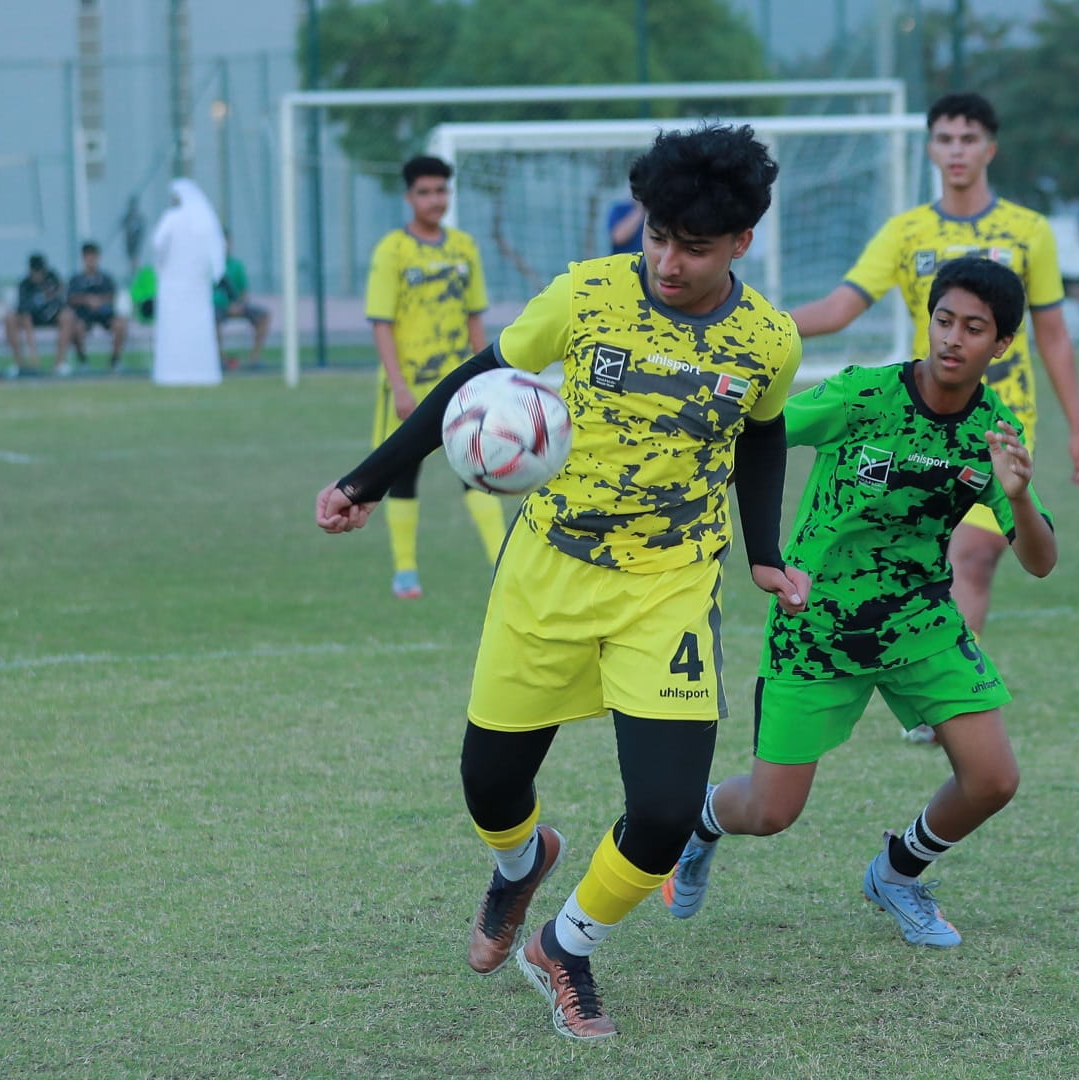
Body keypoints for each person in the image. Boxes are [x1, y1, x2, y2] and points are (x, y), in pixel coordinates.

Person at [314, 123, 806, 1041]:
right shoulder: (586, 295)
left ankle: (567, 945)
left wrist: (763, 550)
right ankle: (519, 866)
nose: (666, 259)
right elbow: (477, 374)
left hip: (668, 590)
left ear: (741, 242)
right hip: (548, 574)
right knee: (490, 791)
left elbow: (765, 433)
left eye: (692, 247)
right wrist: (366, 479)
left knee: (661, 812)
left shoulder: (768, 340)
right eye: (656, 234)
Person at [662, 256, 1057, 949]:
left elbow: (1041, 560)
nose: (952, 338)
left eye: (973, 328)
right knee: (770, 810)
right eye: (943, 320)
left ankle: (898, 873)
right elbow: (758, 438)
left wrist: (1017, 497)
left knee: (994, 778)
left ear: (1000, 346)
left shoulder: (993, 436)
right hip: (816, 623)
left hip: (920, 624)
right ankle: (702, 824)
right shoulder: (862, 396)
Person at [789, 92, 1079, 641]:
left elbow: (1053, 332)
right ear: (930, 148)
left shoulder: (1029, 232)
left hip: (1001, 419)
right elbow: (839, 309)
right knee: (920, 559)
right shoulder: (905, 232)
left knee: (975, 557)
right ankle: (924, 678)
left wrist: (1076, 427)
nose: (957, 151)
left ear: (990, 149)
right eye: (946, 139)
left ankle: (945, 706)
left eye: (969, 139)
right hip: (916, 420)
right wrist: (755, 324)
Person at [362, 156, 499, 599]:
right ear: (408, 197)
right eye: (424, 192)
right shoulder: (393, 251)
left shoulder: (463, 247)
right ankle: (405, 572)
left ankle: (501, 563)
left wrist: (487, 375)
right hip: (410, 385)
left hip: (461, 382)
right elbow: (382, 322)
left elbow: (475, 316)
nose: (434, 199)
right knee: (402, 473)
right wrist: (398, 385)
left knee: (477, 468)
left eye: (441, 190)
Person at [150, 179, 225, 387]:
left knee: (174, 332)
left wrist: (162, 265)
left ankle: (171, 373)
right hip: (198, 288)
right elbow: (217, 258)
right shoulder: (205, 221)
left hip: (173, 286)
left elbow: (158, 244)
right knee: (197, 330)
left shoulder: (172, 219)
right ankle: (202, 372)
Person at [60, 242, 128, 374]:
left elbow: (111, 295)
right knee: (76, 328)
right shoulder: (76, 279)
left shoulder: (105, 278)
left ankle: (114, 361)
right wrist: (87, 300)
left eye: (93, 257)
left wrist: (99, 301)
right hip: (84, 314)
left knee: (120, 325)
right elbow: (70, 298)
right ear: (83, 258)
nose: (91, 261)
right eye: (88, 257)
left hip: (104, 313)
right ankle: (83, 361)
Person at [212, 231, 269, 369]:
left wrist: (239, 305)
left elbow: (244, 293)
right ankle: (221, 360)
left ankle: (254, 360)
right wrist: (226, 306)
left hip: (237, 306)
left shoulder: (236, 266)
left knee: (264, 316)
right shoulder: (211, 266)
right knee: (212, 318)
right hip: (217, 308)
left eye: (227, 243)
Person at [5, 253, 65, 374]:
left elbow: (62, 300)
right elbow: (22, 308)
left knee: (68, 316)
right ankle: (21, 364)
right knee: (12, 318)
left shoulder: (53, 280)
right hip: (29, 319)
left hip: (51, 316)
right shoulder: (25, 284)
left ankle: (59, 365)